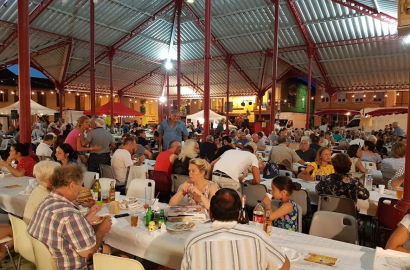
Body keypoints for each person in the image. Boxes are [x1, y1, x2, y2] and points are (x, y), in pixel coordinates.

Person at [181, 188, 290, 270]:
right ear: (239, 214)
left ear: (210, 214)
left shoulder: (193, 240)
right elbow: (284, 265)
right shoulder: (257, 236)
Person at [28, 165, 112, 270]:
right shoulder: (70, 215)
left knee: (106, 249)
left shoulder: (46, 203)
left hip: (47, 263)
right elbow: (88, 253)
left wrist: (84, 220)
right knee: (122, 257)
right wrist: (101, 231)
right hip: (73, 265)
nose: (82, 188)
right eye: (81, 185)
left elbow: (64, 228)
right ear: (72, 185)